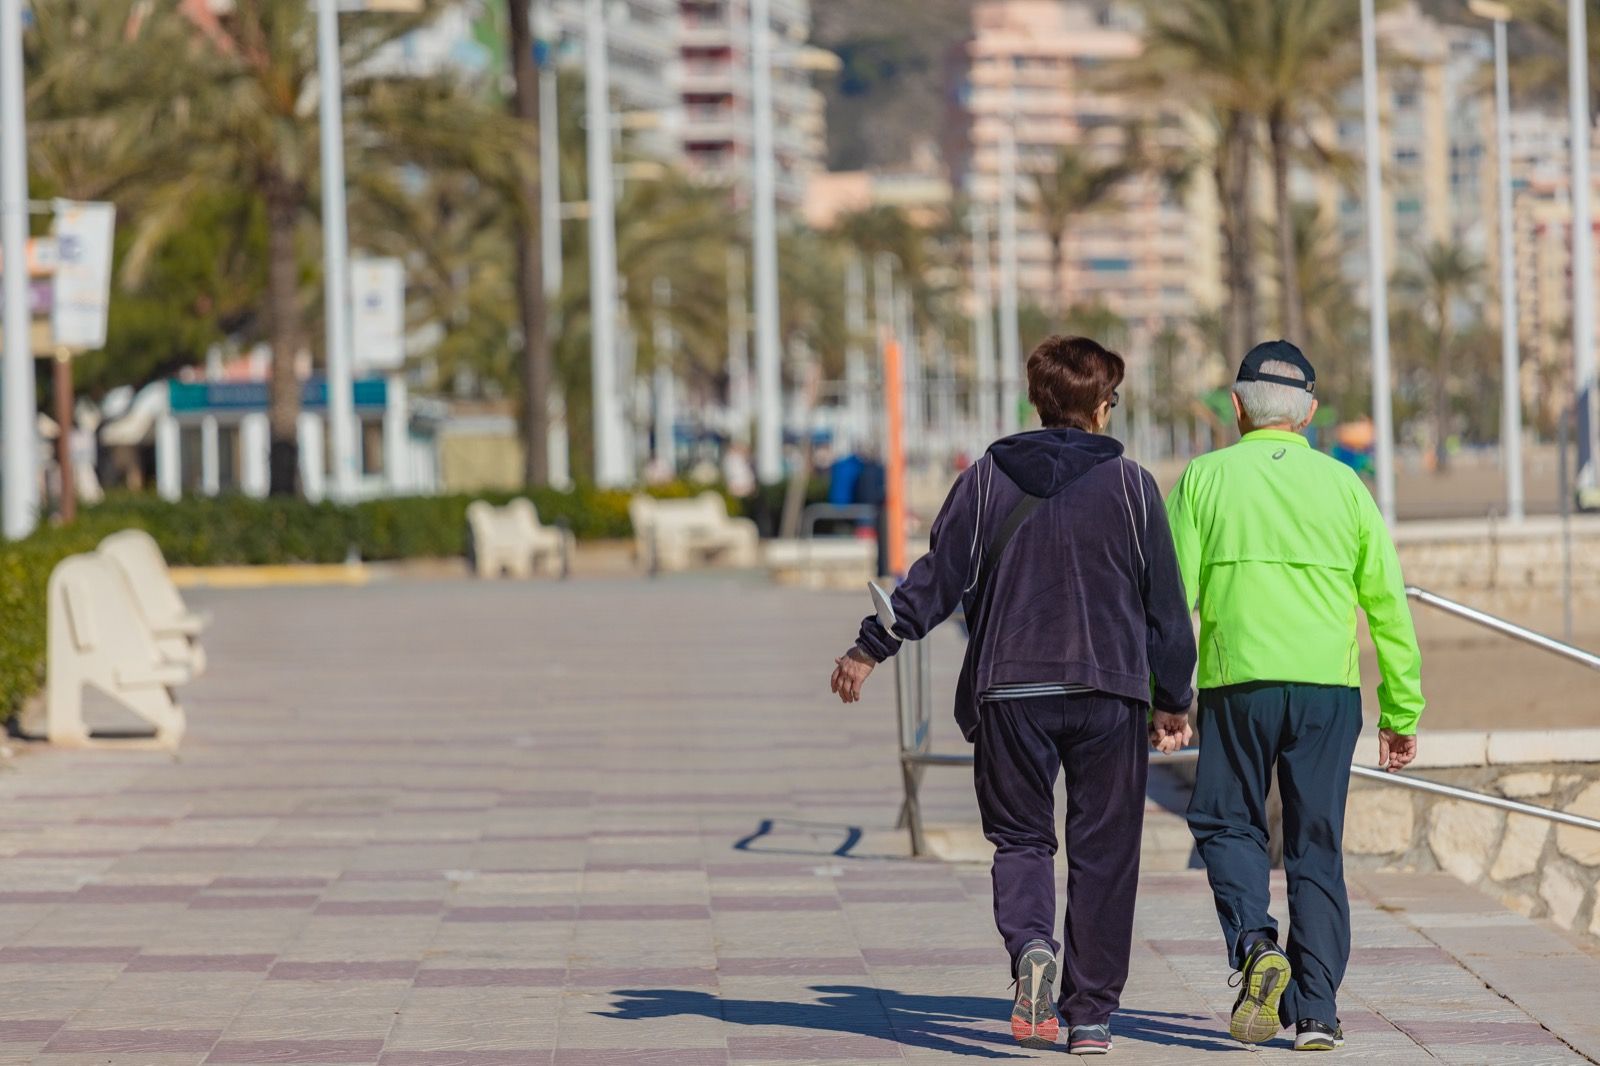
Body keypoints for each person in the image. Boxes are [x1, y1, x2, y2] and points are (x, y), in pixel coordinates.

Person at [828, 336, 1197, 1055]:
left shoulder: (987, 477)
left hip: (1010, 689)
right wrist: (1173, 698)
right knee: (1103, 851)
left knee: (1023, 840)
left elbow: (936, 576)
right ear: (1096, 406)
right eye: (1111, 398)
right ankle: (1088, 1016)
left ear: (1037, 401)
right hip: (1108, 690)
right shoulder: (1130, 486)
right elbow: (1166, 609)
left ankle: (1032, 948)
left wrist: (870, 648)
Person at [1162, 340, 1425, 1052]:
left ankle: (1255, 946)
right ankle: (1317, 1012)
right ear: (1308, 414)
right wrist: (1401, 711)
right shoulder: (1345, 487)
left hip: (1235, 683)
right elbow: (1389, 608)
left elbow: (1167, 600)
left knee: (1226, 822)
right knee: (1316, 846)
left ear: (1238, 406)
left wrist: (1163, 697)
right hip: (1327, 693)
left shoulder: (1203, 479)